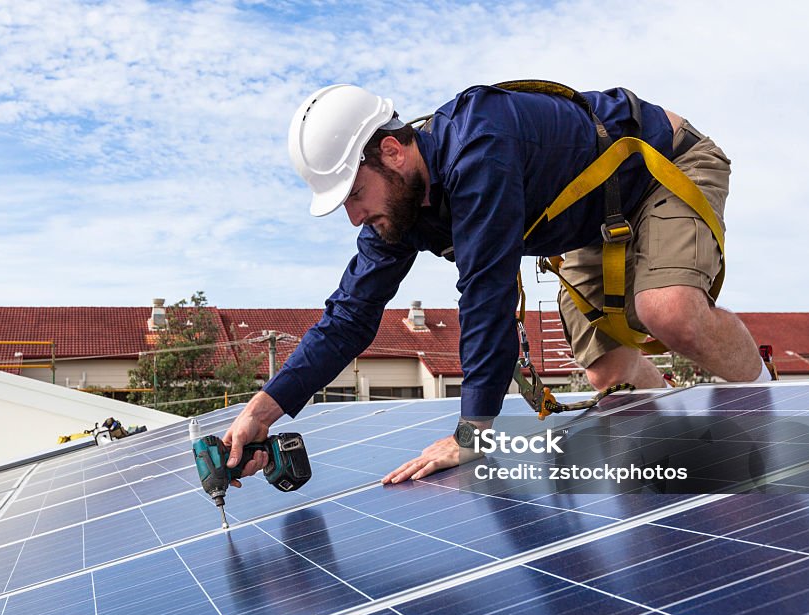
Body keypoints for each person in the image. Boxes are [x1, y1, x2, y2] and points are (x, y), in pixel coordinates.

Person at [223, 81, 769, 486]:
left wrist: (472, 433)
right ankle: (676, 464)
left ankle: (778, 424)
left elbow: (487, 296)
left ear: (391, 152)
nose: (354, 217)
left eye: (354, 194)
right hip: (589, 223)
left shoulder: (479, 146)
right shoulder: (398, 206)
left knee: (666, 309)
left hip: (659, 168)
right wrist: (259, 413)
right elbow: (348, 319)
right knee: (611, 377)